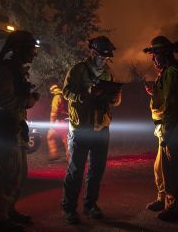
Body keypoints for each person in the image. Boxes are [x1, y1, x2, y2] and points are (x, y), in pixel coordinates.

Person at [0, 30, 40, 232]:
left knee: (18, 173)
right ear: (20, 49)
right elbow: (3, 102)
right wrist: (28, 101)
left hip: (14, 129)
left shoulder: (16, 70)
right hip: (3, 129)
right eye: (31, 50)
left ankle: (8, 210)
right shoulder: (3, 71)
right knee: (5, 173)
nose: (33, 54)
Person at [61, 36, 121, 224]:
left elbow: (115, 101)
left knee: (97, 170)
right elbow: (66, 92)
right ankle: (69, 208)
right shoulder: (78, 70)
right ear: (93, 53)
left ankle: (90, 205)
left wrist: (114, 97)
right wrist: (86, 93)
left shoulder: (108, 73)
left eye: (107, 58)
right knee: (76, 170)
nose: (104, 60)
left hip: (102, 128)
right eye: (101, 57)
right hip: (81, 129)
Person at [143, 36, 178, 221]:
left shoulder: (173, 73)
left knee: (173, 168)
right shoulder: (168, 72)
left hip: (175, 128)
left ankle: (174, 207)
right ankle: (163, 198)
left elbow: (173, 103)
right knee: (160, 167)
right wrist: (155, 92)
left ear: (164, 54)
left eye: (155, 54)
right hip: (168, 127)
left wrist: (167, 131)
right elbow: (167, 96)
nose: (153, 59)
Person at [46, 84, 69, 161]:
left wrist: (51, 124)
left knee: (50, 136)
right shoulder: (65, 96)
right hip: (67, 121)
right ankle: (69, 157)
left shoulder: (56, 97)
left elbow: (54, 112)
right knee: (66, 139)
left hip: (59, 121)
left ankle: (54, 154)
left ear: (52, 91)